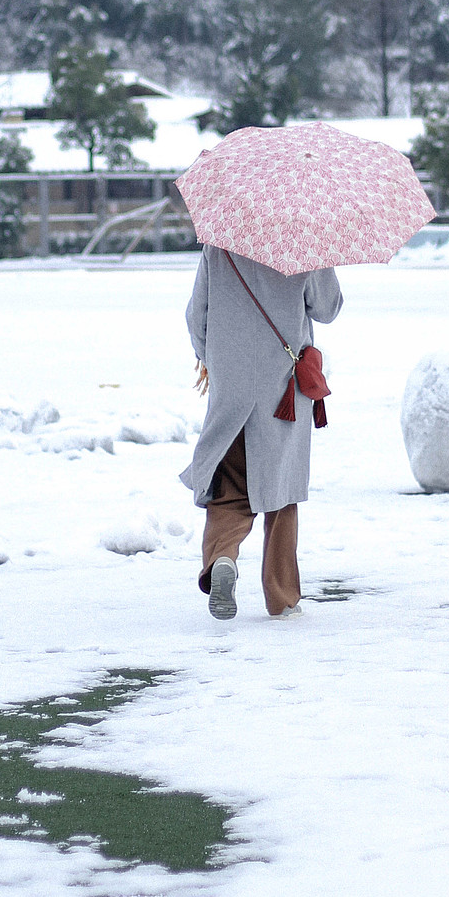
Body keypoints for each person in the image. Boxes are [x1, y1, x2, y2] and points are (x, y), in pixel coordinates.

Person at [180, 243, 343, 620]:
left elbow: (196, 315)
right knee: (281, 490)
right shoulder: (305, 242)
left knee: (229, 486)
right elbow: (328, 308)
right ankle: (282, 598)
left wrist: (211, 360)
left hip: (232, 386)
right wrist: (323, 256)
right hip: (282, 388)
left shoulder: (220, 242)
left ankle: (222, 559)